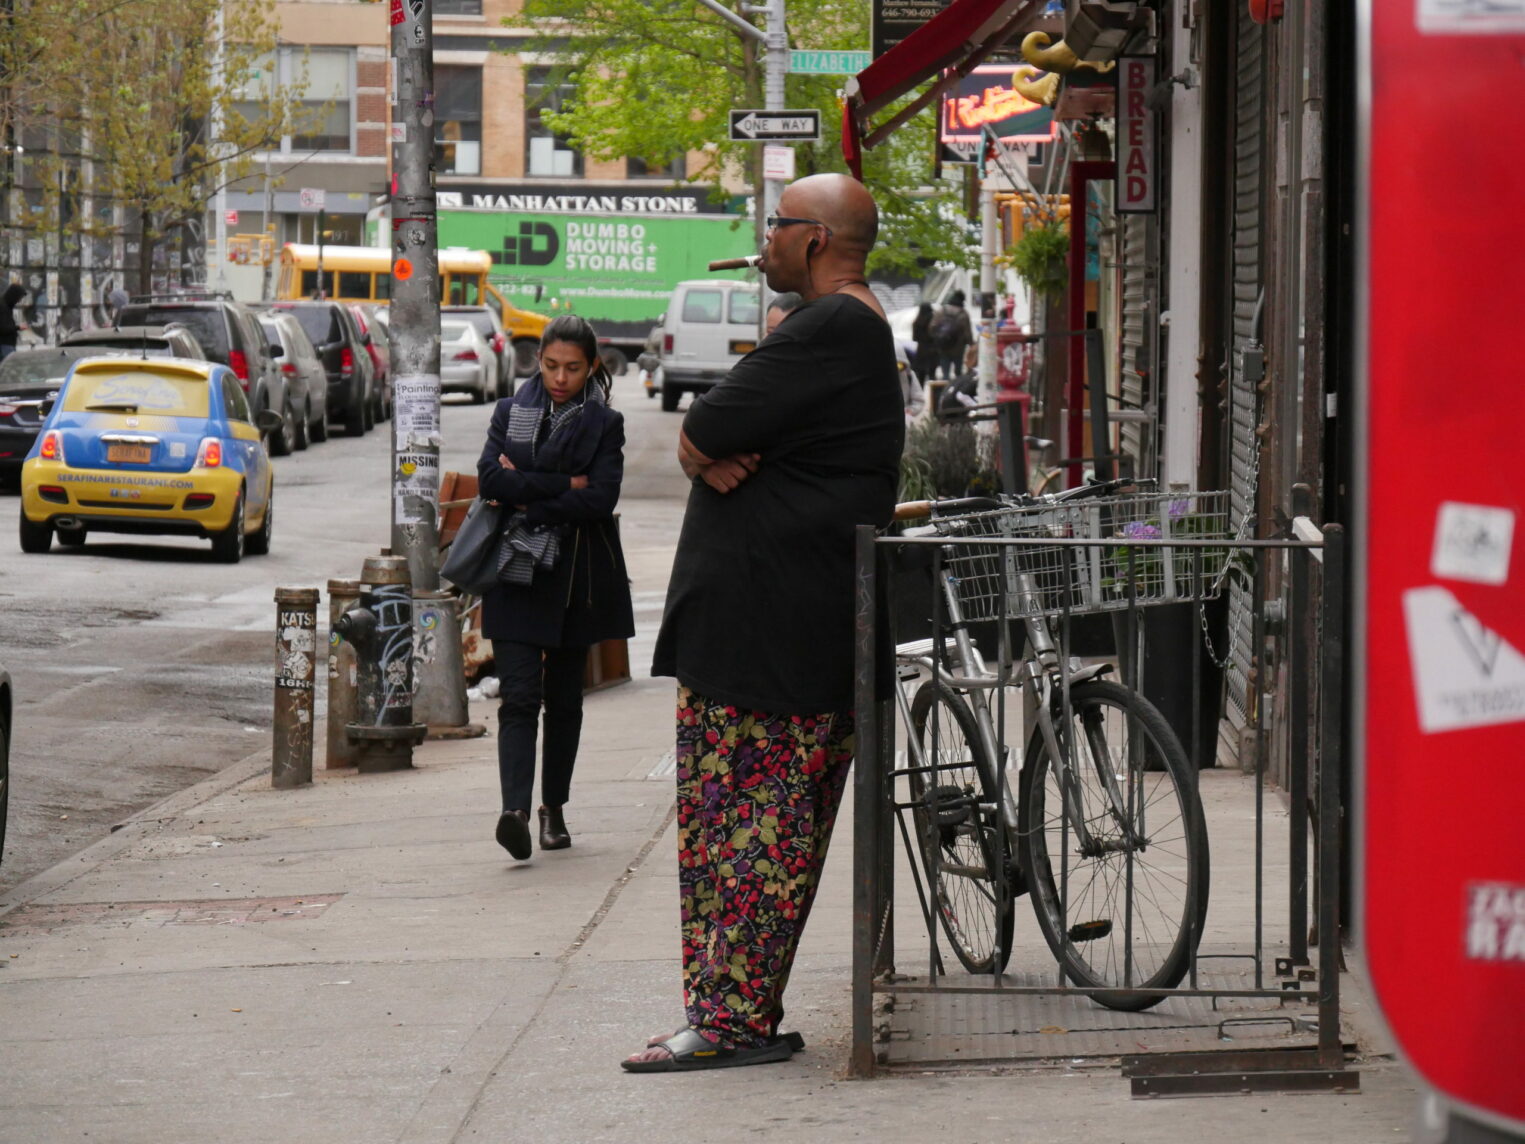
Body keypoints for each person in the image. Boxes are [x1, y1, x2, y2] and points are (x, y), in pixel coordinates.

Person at [625, 173, 904, 1073]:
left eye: (775, 224)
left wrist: (702, 449)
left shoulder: (830, 326)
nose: (763, 239)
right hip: (770, 633)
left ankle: (730, 1022)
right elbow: (704, 440)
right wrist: (701, 451)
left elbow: (705, 426)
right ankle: (727, 1014)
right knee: (743, 833)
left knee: (749, 835)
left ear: (813, 238)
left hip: (772, 642)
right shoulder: (839, 329)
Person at [475, 314, 634, 861]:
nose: (560, 378)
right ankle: (515, 812)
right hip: (515, 573)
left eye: (572, 368)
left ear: (591, 367)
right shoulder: (509, 411)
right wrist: (564, 484)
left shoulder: (605, 423)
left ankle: (553, 810)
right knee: (519, 696)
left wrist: (525, 496)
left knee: (564, 701)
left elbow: (601, 498)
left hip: (573, 578)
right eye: (550, 366)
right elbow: (489, 479)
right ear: (537, 362)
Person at [931, 289, 973, 379]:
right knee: (958, 372)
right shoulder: (963, 313)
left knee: (945, 372)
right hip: (958, 347)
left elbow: (932, 326)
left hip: (943, 346)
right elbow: (967, 332)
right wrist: (971, 343)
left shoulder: (941, 310)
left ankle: (945, 385)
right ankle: (957, 386)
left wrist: (937, 338)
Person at [0, 283, 27, 360]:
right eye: (19, 298)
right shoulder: (3, 307)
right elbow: (3, 328)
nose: (19, 301)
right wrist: (18, 327)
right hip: (5, 344)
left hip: (7, 344)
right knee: (8, 365)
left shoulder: (6, 305)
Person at [910, 300, 934, 378]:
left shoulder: (917, 322)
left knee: (921, 372)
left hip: (921, 349)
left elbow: (914, 338)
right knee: (932, 372)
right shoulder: (932, 320)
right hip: (932, 349)